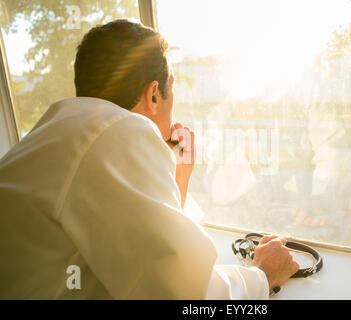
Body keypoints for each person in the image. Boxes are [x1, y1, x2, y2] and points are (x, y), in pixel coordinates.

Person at [0, 19, 298, 299]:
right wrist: (263, 275)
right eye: (172, 86)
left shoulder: (59, 127)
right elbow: (185, 296)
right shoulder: (122, 130)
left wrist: (177, 179)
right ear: (154, 95)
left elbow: (139, 250)